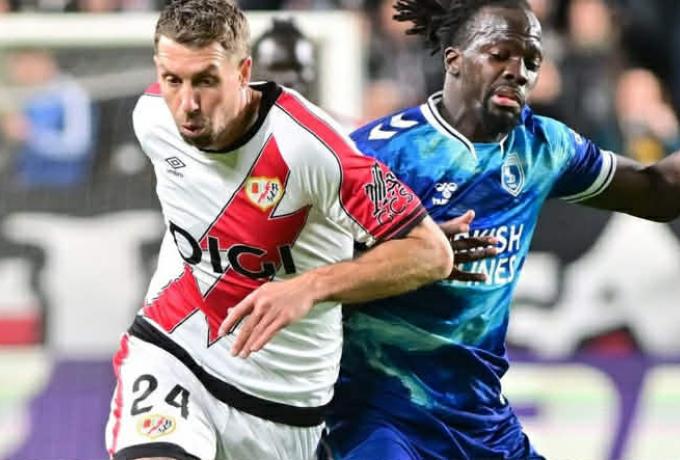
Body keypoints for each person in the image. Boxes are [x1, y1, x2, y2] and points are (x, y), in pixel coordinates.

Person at [103, 1, 463, 459]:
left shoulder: (316, 149)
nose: (188, 104)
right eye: (173, 80)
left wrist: (311, 286)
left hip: (284, 407)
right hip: (173, 356)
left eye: (206, 81)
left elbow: (431, 252)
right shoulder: (152, 117)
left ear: (243, 71)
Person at [325, 1, 680, 459]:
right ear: (454, 59)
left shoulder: (543, 148)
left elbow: (657, 192)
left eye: (532, 60)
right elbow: (294, 271)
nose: (518, 71)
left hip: (481, 422)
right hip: (380, 418)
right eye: (500, 55)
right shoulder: (382, 154)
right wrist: (410, 253)